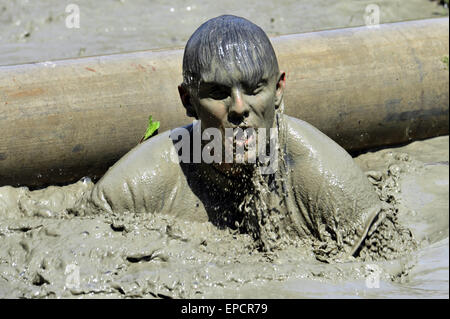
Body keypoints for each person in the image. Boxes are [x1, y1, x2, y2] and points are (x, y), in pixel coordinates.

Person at [73, 15, 384, 259]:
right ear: (187, 101)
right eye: (218, 93)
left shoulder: (325, 179)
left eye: (253, 89)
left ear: (278, 91)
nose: (238, 108)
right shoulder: (133, 190)